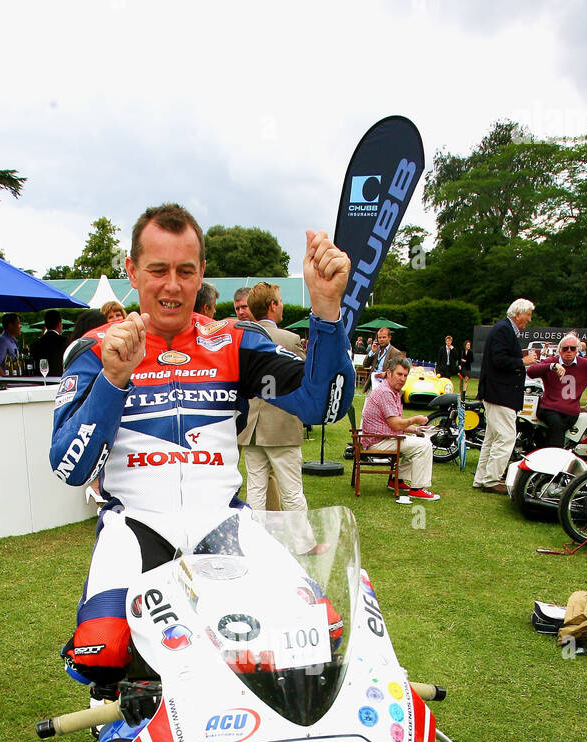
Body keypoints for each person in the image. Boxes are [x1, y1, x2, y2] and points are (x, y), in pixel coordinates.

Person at [50, 201, 354, 687]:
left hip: (222, 523)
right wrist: (112, 380)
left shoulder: (235, 342)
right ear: (131, 270)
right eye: (158, 270)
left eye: (185, 271)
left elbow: (325, 404)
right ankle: (128, 721)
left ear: (201, 274)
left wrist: (326, 312)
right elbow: (68, 466)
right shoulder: (96, 348)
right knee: (100, 650)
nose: (172, 285)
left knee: (323, 625)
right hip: (137, 524)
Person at [238, 281, 311, 526]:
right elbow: (303, 380)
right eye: (279, 302)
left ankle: (254, 540)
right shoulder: (290, 340)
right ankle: (302, 542)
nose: (281, 307)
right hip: (281, 426)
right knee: (291, 491)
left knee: (255, 490)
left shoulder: (242, 338)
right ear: (272, 306)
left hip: (251, 427)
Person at [473, 298, 538, 493]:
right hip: (501, 393)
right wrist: (522, 361)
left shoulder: (503, 329)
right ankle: (491, 480)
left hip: (497, 393)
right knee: (506, 438)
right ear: (518, 314)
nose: (529, 319)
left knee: (492, 438)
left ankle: (482, 478)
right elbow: (499, 360)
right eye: (528, 315)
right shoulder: (503, 330)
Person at [360, 355, 440, 503]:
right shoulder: (385, 392)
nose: (402, 378)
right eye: (399, 374)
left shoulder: (391, 390)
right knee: (424, 445)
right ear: (389, 373)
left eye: (405, 375)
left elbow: (396, 423)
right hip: (377, 441)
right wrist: (415, 419)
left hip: (383, 437)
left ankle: (396, 480)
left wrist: (417, 430)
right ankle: (417, 489)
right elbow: (396, 425)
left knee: (417, 440)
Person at [526, 334, 587, 448]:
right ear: (559, 350)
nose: (569, 351)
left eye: (573, 348)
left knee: (558, 425)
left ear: (578, 350)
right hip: (549, 408)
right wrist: (552, 366)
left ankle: (555, 453)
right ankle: (556, 454)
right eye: (565, 348)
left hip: (570, 411)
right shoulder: (552, 361)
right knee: (556, 423)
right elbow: (531, 372)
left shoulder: (586, 365)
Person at [29, 310, 67, 377]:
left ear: (45, 325)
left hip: (40, 381)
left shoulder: (35, 344)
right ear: (59, 324)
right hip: (60, 379)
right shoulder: (65, 341)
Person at [363, 327, 400, 393]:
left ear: (389, 338)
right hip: (373, 385)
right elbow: (365, 365)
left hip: (386, 387)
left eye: (384, 337)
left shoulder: (396, 353)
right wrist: (372, 352)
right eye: (379, 338)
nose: (381, 339)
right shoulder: (375, 350)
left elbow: (397, 372)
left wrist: (385, 374)